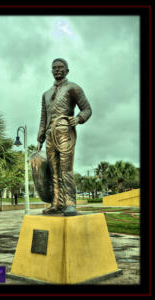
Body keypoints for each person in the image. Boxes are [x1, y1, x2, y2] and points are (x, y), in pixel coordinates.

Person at [37, 58, 92, 215]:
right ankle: (56, 203)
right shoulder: (46, 94)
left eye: (61, 67)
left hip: (65, 131)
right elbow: (43, 117)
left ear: (67, 70)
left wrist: (79, 119)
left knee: (66, 169)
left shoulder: (73, 88)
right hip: (49, 134)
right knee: (53, 171)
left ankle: (70, 203)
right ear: (51, 70)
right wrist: (40, 136)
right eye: (54, 68)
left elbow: (87, 109)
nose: (58, 70)